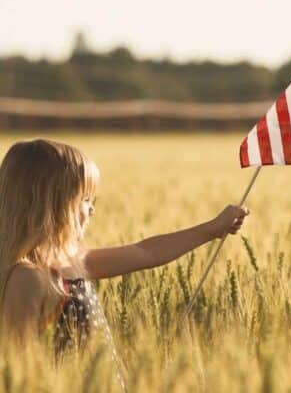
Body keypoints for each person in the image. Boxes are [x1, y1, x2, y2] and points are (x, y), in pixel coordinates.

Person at [0, 139, 249, 362]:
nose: (92, 210)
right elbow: (18, 368)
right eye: (85, 200)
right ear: (52, 206)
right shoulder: (27, 279)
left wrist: (214, 229)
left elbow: (146, 252)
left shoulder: (72, 260)